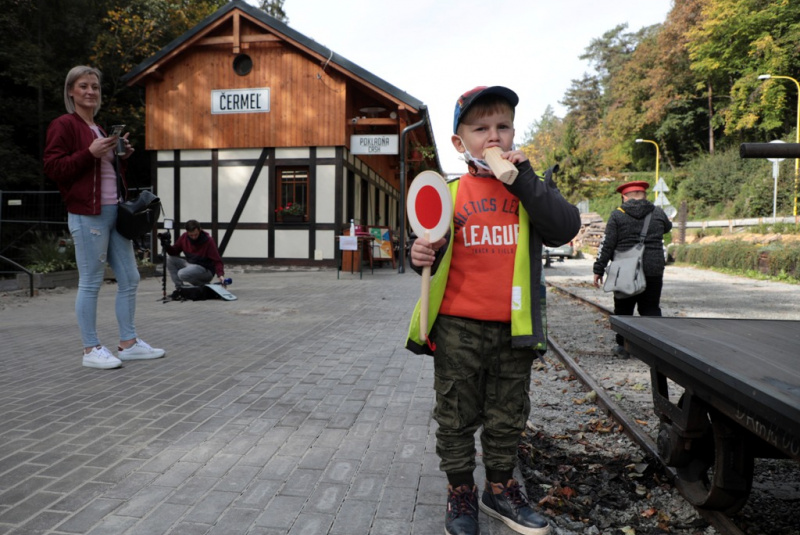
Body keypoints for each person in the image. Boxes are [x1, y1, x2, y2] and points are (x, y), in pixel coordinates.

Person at [406, 86, 581, 535]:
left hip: (514, 326)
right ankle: (461, 491)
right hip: (458, 326)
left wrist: (522, 179)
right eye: (480, 129)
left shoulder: (529, 189)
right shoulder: (450, 192)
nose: (493, 137)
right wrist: (420, 256)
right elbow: (429, 251)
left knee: (507, 415)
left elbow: (564, 228)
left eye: (502, 127)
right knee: (455, 414)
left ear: (514, 133)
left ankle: (500, 488)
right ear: (459, 143)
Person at [43, 65, 165, 370]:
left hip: (114, 212)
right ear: (71, 91)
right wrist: (90, 153)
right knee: (91, 282)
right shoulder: (64, 125)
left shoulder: (98, 128)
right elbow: (54, 168)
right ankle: (91, 349)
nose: (90, 91)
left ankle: (128, 343)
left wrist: (121, 157)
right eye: (83, 86)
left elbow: (105, 174)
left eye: (95, 86)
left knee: (130, 277)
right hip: (87, 215)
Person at [592, 181, 673, 357]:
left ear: (624, 197)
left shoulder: (617, 215)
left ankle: (624, 347)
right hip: (653, 268)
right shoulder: (657, 212)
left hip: (624, 269)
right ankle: (653, 348)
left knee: (624, 310)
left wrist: (598, 269)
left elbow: (607, 243)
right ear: (644, 195)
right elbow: (668, 227)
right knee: (650, 309)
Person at [163, 220, 226, 297]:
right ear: (187, 232)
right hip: (190, 265)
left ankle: (204, 286)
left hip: (205, 270)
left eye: (196, 234)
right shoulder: (184, 237)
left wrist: (220, 275)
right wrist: (166, 246)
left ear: (200, 230)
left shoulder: (208, 240)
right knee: (169, 259)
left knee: (182, 273)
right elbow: (174, 252)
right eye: (191, 235)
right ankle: (179, 289)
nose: (194, 237)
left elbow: (217, 260)